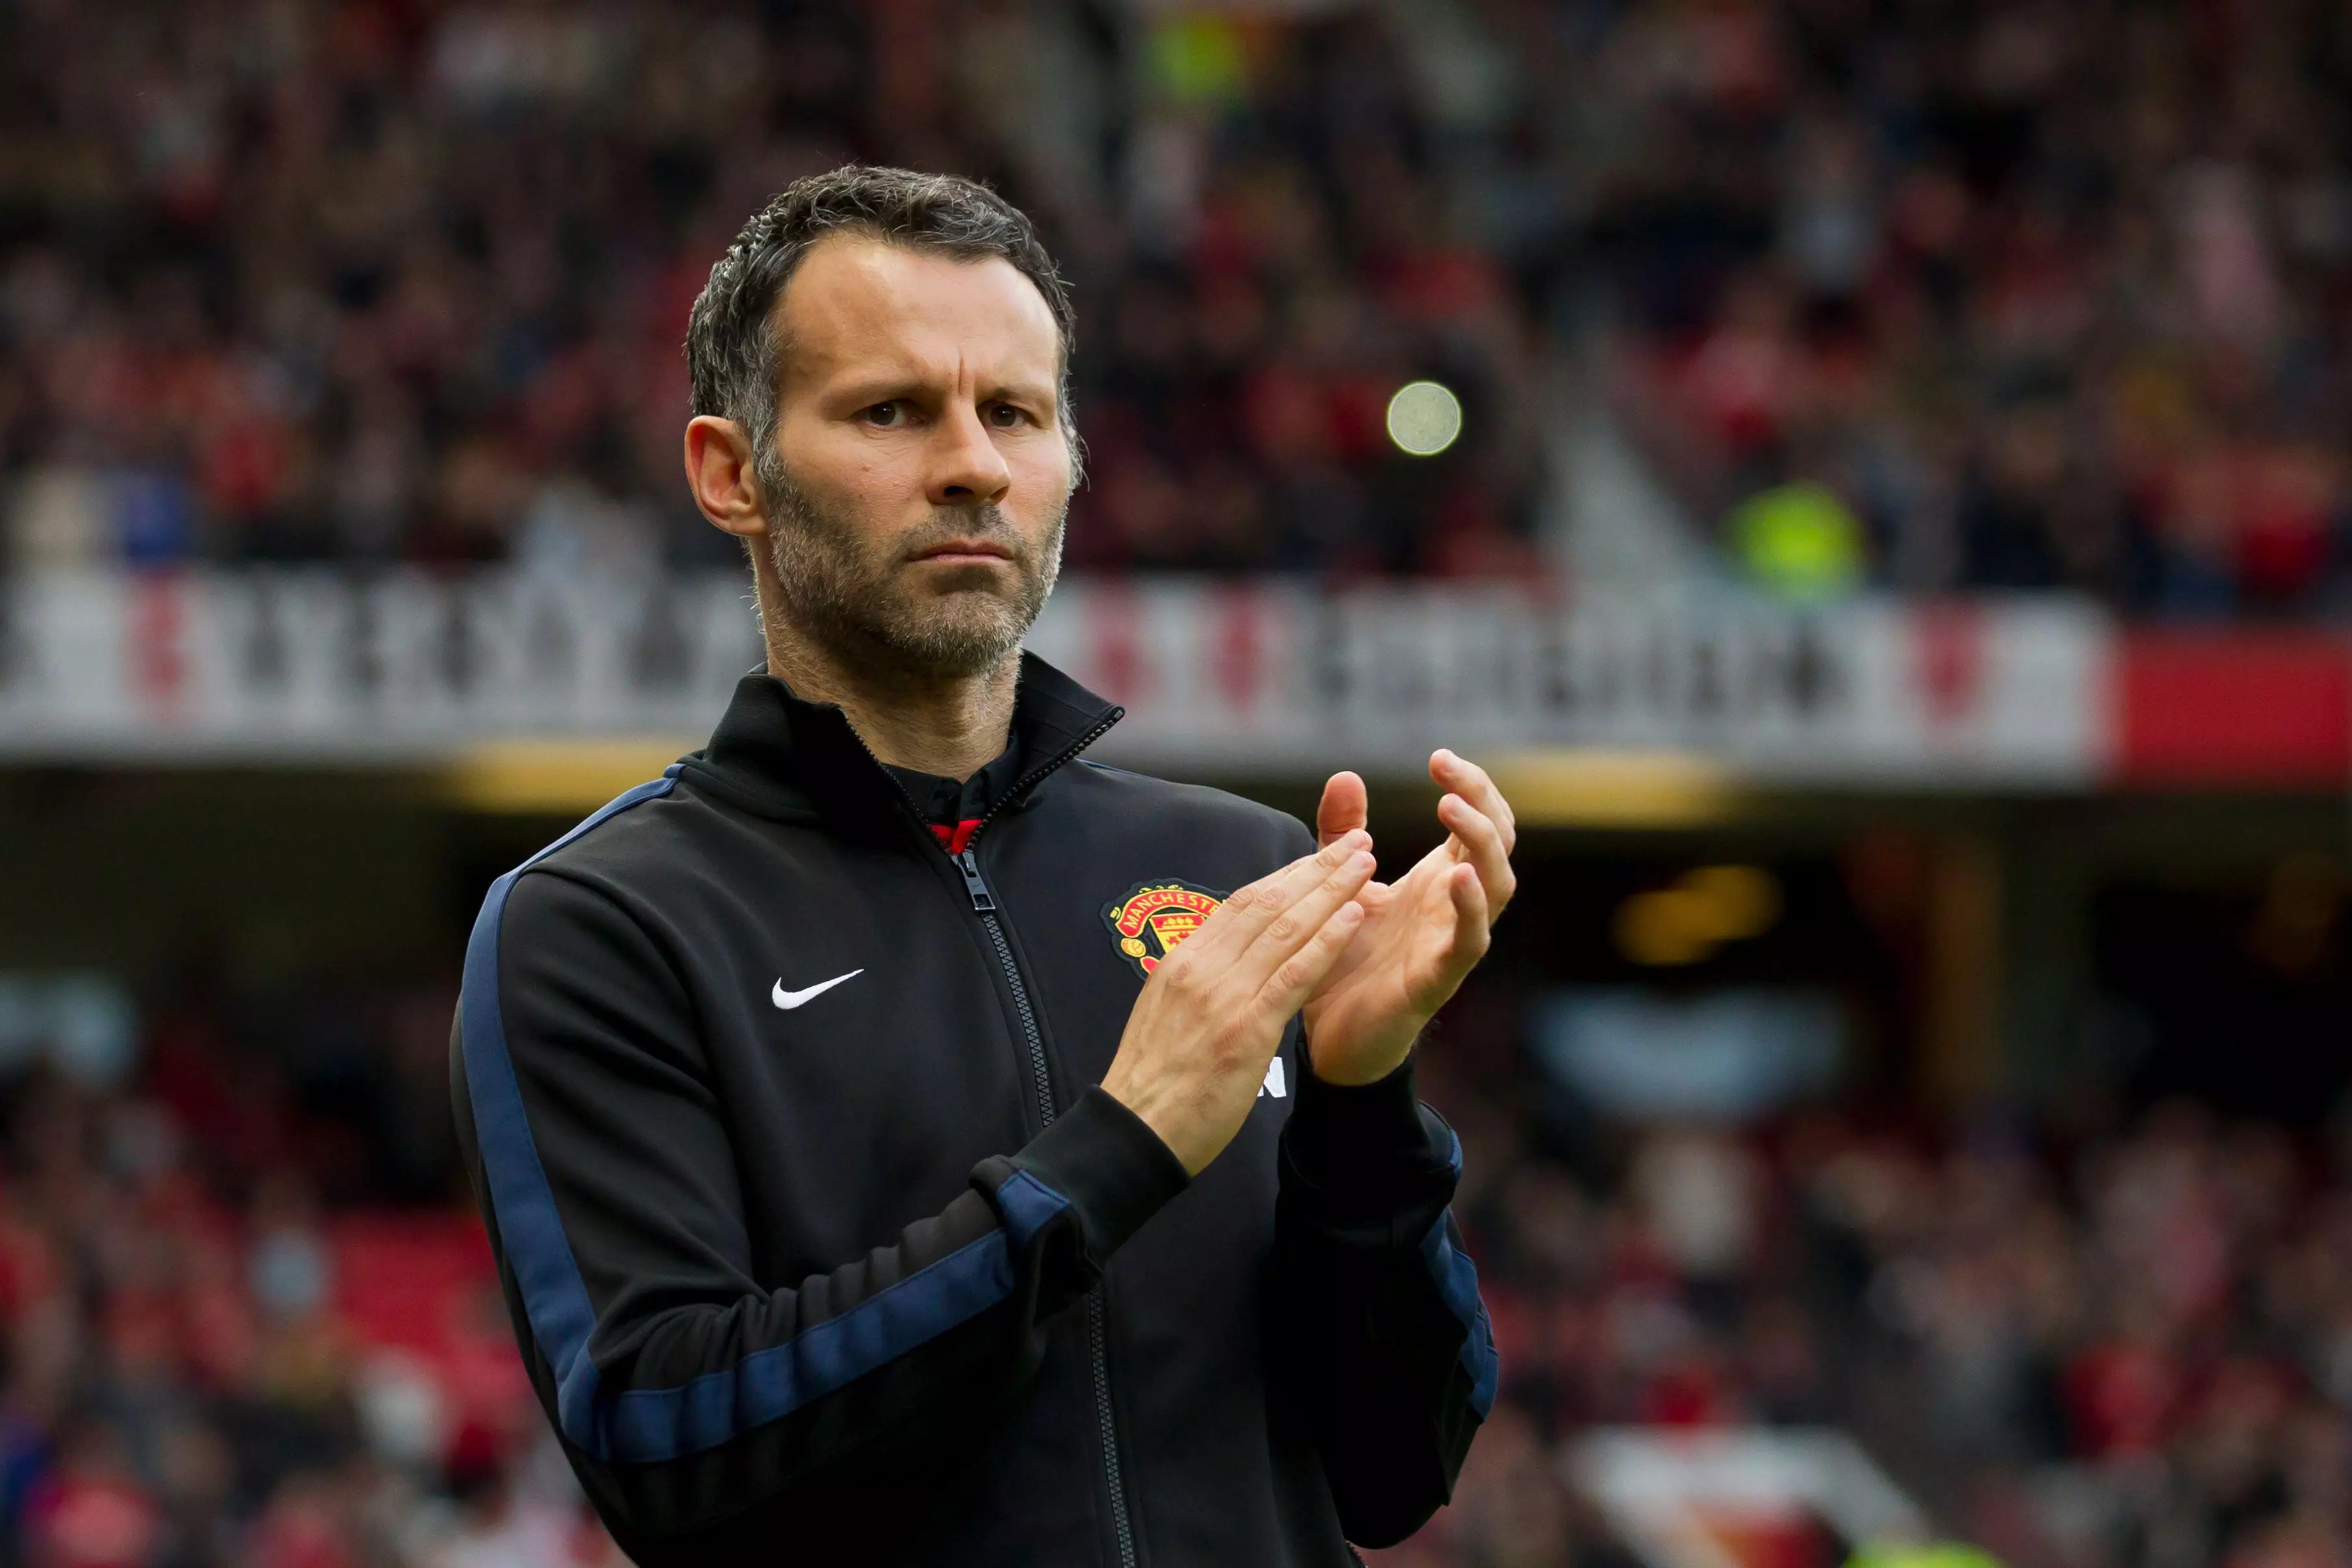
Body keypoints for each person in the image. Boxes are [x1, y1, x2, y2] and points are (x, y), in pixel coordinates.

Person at [449, 166, 1512, 1567]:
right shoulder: (601, 925)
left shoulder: (1240, 875)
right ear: (731, 473)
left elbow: (1397, 1463)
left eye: (1012, 412)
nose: (972, 463)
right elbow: (668, 1441)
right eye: (892, 410)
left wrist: (1367, 1105)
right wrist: (1120, 1147)